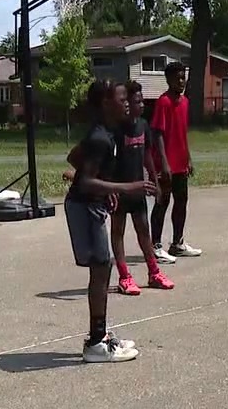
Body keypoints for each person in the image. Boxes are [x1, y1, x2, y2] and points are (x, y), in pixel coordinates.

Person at [65, 80, 156, 363]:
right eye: (121, 98)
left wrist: (107, 191)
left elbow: (75, 158)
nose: (127, 102)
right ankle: (95, 343)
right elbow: (86, 179)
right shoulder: (99, 138)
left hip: (93, 204)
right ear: (106, 103)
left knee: (103, 268)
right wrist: (125, 187)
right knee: (101, 268)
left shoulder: (109, 133)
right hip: (83, 207)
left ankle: (100, 336)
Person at [109, 81, 175, 294]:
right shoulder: (116, 129)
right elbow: (108, 160)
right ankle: (124, 277)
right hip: (120, 190)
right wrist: (111, 188)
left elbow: (147, 156)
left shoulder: (143, 125)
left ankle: (154, 272)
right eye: (137, 101)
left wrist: (155, 182)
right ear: (127, 102)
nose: (141, 104)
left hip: (138, 189)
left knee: (144, 232)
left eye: (142, 100)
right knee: (117, 232)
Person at [150, 61, 201, 261]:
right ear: (169, 79)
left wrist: (188, 158)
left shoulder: (185, 102)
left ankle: (177, 243)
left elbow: (182, 134)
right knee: (162, 202)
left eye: (183, 77)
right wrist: (163, 162)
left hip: (180, 163)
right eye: (178, 78)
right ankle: (155, 246)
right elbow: (157, 133)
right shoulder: (163, 102)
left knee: (181, 201)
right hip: (166, 164)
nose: (181, 81)